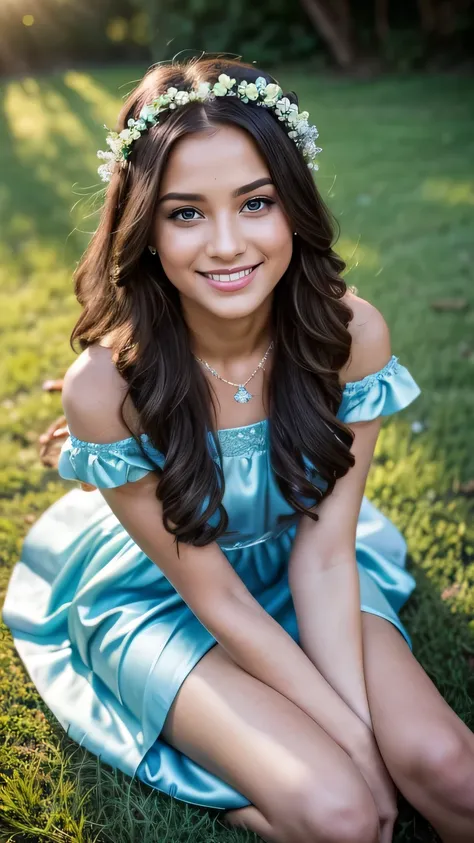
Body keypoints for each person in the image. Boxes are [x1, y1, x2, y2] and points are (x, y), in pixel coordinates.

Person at [3, 56, 474, 843]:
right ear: (142, 225)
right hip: (168, 599)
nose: (227, 244)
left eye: (255, 202)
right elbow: (216, 599)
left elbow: (325, 559)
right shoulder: (105, 389)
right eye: (186, 213)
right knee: (342, 813)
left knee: (445, 766)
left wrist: (365, 733)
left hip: (307, 565)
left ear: (293, 205)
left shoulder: (348, 337)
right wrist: (354, 748)